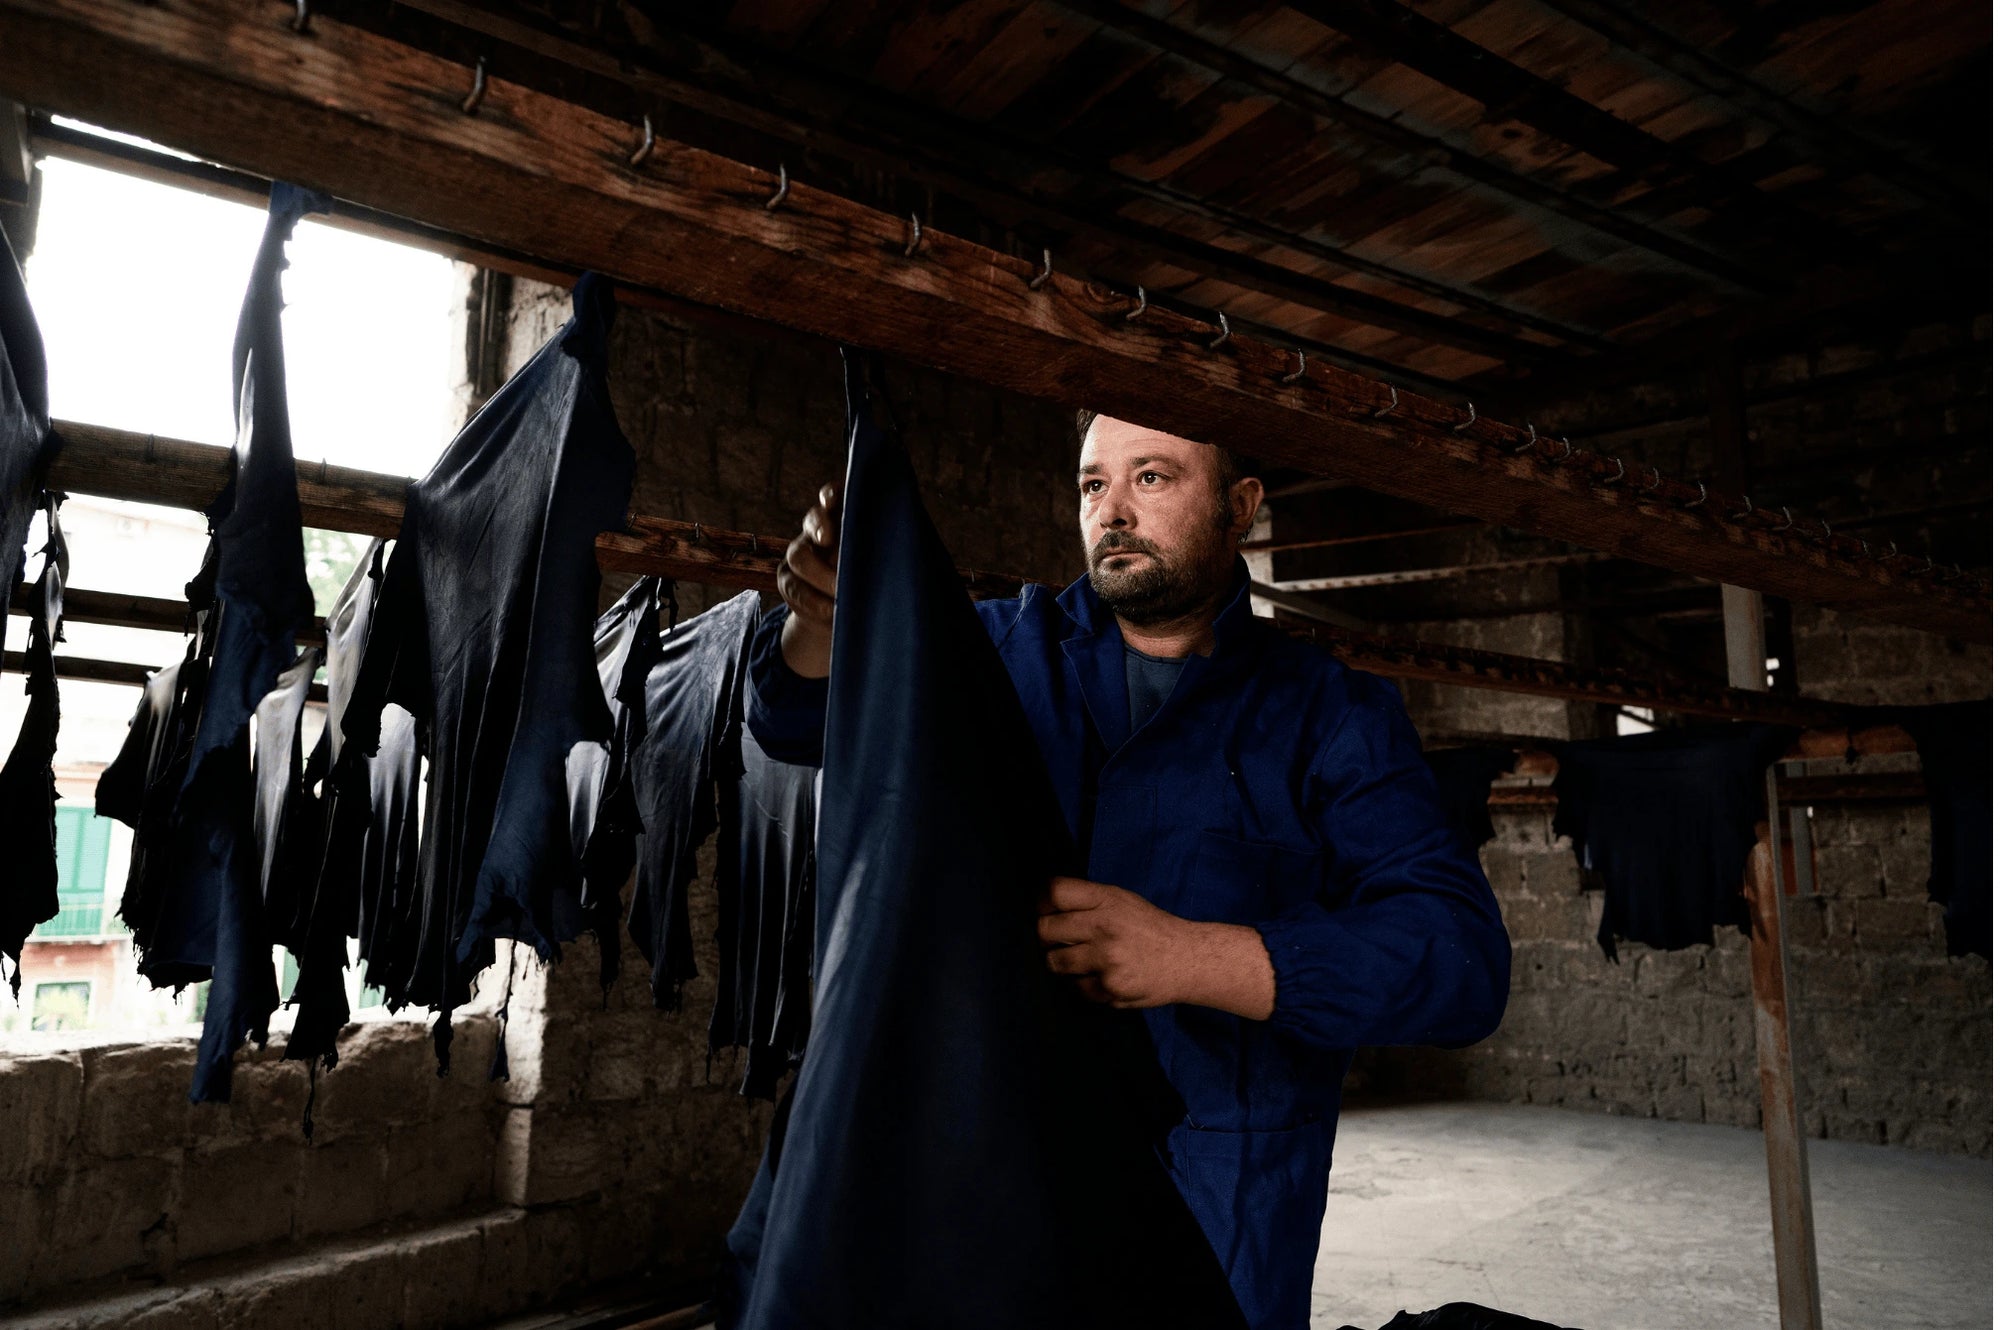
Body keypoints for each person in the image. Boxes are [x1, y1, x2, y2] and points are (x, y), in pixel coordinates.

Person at [746, 410, 1511, 1330]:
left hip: (1223, 1193)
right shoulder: (993, 652)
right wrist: (821, 624)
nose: (1111, 511)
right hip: (993, 1174)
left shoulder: (1331, 713)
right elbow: (790, 718)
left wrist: (1192, 958)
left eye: (1151, 478)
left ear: (1241, 507)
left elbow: (1461, 964)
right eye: (1093, 483)